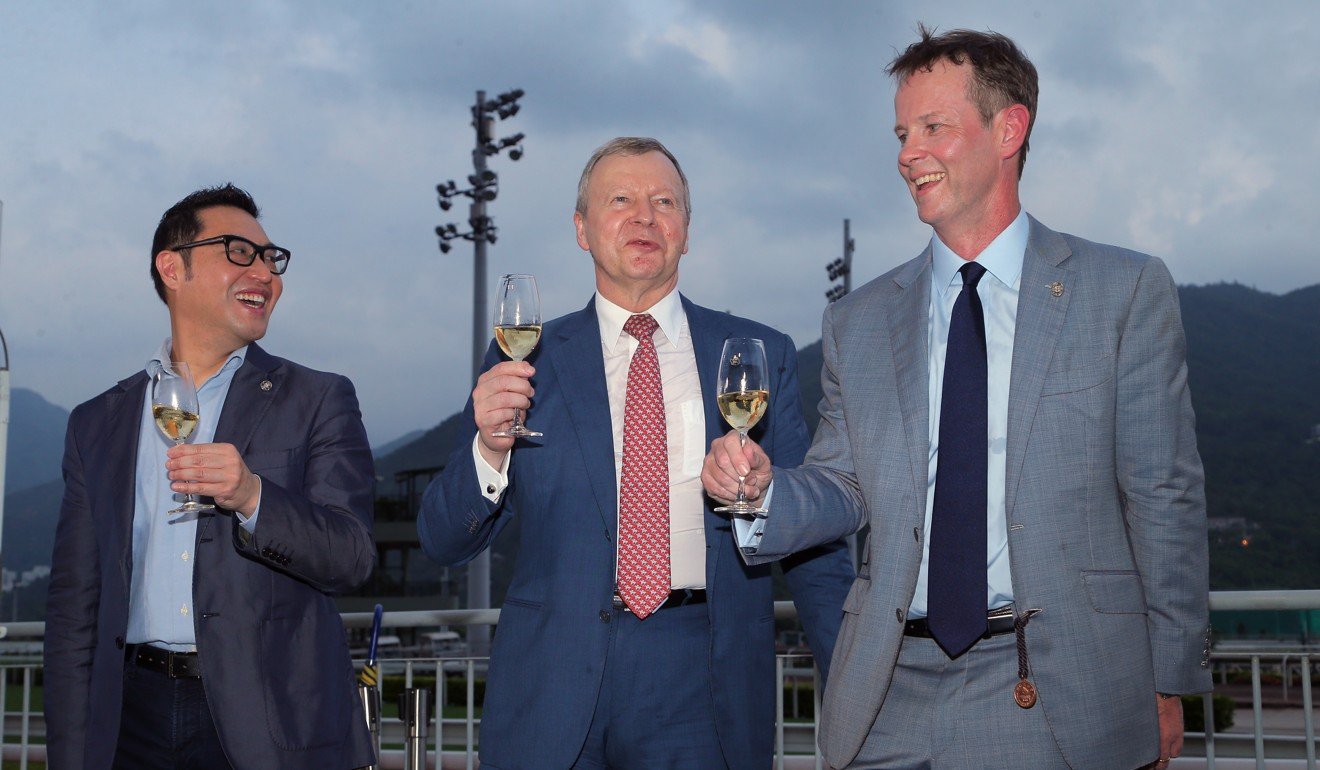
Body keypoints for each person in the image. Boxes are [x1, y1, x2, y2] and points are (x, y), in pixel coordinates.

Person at [704, 27, 1211, 770]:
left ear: (1010, 128)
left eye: (934, 127)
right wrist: (760, 492)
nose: (909, 153)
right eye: (902, 133)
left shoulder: (1123, 292)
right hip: (886, 697)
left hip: (1055, 687)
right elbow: (843, 484)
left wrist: (1171, 678)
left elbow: (1163, 496)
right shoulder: (857, 321)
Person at [417, 137, 854, 770]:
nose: (644, 216)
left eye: (664, 201)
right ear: (581, 230)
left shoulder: (758, 355)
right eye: (620, 199)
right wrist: (489, 448)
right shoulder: (524, 360)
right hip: (553, 681)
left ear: (686, 231)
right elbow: (442, 539)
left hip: (705, 682)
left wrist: (851, 674)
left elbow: (812, 537)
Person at [44, 184, 377, 770]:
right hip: (128, 720)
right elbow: (75, 609)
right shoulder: (97, 422)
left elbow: (350, 556)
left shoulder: (319, 397)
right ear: (172, 267)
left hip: (265, 724)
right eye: (239, 251)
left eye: (271, 258)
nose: (265, 273)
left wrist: (252, 495)